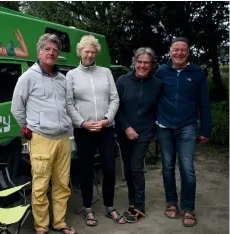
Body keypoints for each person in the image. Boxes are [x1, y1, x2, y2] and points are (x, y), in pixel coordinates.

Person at [11, 34, 76, 234]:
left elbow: (68, 106)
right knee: (40, 185)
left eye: (55, 51)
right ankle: (41, 226)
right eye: (47, 49)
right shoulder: (28, 77)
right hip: (41, 138)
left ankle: (59, 222)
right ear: (39, 52)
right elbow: (17, 108)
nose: (51, 53)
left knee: (62, 184)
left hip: (63, 137)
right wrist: (28, 126)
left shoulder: (62, 79)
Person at [66, 35, 123, 226]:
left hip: (106, 128)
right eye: (86, 51)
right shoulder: (71, 75)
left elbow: (115, 98)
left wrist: (107, 119)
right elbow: (69, 103)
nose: (89, 55)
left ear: (96, 53)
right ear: (80, 52)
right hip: (84, 130)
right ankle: (88, 208)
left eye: (93, 51)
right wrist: (82, 123)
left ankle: (109, 206)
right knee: (86, 170)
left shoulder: (106, 72)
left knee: (108, 168)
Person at [155, 37, 212, 227]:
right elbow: (150, 95)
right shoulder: (161, 72)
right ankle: (172, 203)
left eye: (183, 50)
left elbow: (204, 103)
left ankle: (188, 208)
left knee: (187, 168)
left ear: (188, 52)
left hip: (187, 126)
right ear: (170, 52)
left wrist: (205, 129)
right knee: (167, 167)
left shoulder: (196, 73)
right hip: (164, 126)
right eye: (176, 49)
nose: (179, 53)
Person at [115, 47, 163, 223]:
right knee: (128, 169)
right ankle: (132, 202)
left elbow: (159, 108)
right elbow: (116, 107)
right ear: (134, 62)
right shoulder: (122, 81)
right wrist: (126, 127)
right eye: (139, 62)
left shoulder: (158, 84)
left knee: (136, 167)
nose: (142, 65)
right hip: (124, 130)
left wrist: (155, 128)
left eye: (147, 63)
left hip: (144, 131)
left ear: (152, 65)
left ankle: (140, 206)